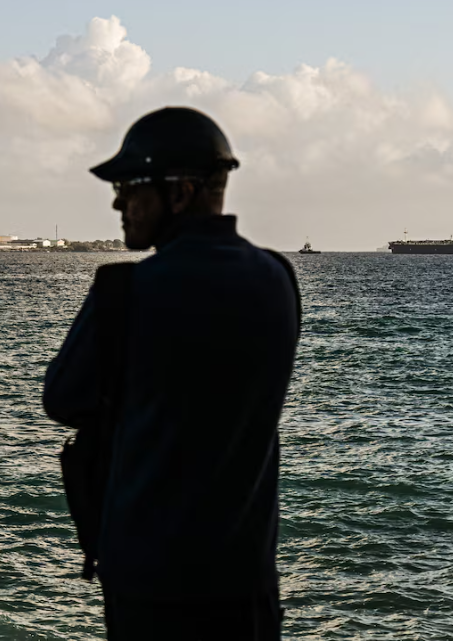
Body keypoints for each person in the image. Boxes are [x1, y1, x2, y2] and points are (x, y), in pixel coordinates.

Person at [43, 107, 300, 640]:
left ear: (181, 193)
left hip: (152, 589)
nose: (118, 203)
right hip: (247, 585)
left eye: (129, 187)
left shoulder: (124, 292)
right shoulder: (278, 278)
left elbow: (62, 400)